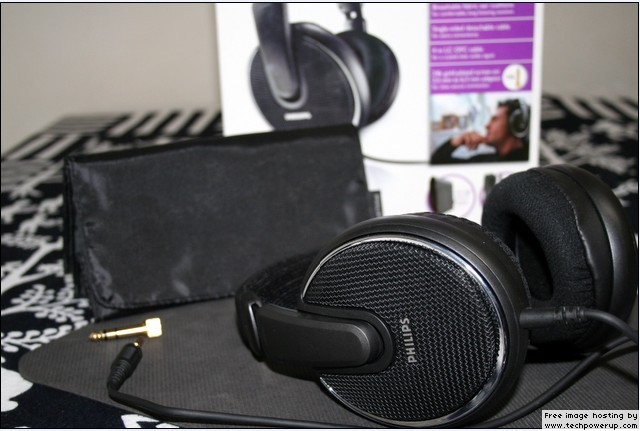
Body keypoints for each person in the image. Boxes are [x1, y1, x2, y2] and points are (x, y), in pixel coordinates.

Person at [431, 99, 529, 164]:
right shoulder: (485, 160)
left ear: (516, 124)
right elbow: (437, 162)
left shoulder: (529, 163)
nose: (487, 126)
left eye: (494, 119)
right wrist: (455, 142)